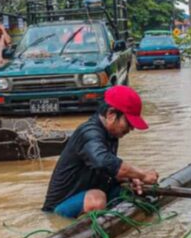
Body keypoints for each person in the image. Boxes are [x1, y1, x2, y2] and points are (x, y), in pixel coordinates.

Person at [42, 85, 159, 218]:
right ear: (111, 115)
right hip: (61, 206)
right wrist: (142, 174)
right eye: (129, 123)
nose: (131, 129)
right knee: (97, 199)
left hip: (86, 193)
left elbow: (108, 171)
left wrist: (132, 177)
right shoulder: (89, 133)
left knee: (130, 190)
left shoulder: (112, 135)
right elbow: (103, 161)